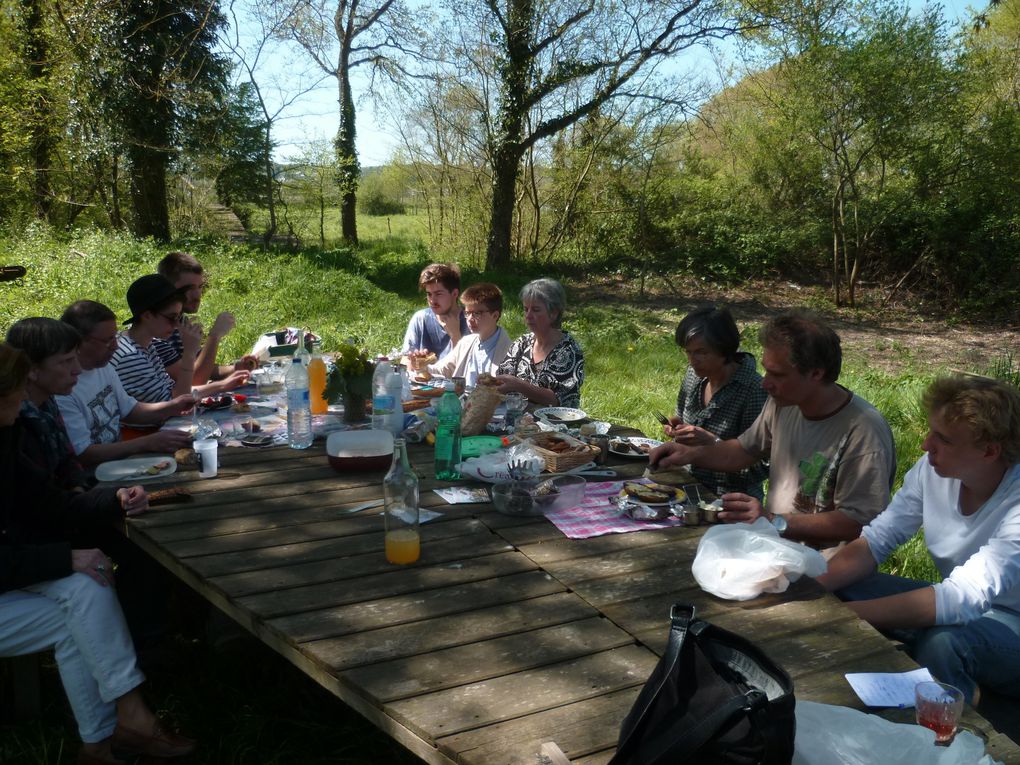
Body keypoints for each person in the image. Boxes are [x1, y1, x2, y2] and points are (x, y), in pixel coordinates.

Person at [0, 342, 196, 764]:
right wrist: (63, 558)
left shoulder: (9, 431)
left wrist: (115, 500)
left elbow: (43, 501)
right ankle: (128, 724)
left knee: (85, 600)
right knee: (81, 591)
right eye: (15, 391)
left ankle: (102, 740)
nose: (23, 401)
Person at [818, 376, 1020, 706]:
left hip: (1011, 621)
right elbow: (878, 539)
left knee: (944, 641)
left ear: (989, 451)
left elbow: (962, 598)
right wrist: (809, 587)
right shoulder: (933, 469)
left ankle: (955, 735)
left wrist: (844, 617)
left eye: (943, 439)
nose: (926, 445)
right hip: (964, 603)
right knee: (845, 584)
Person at [650, 310, 895, 550]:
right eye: (766, 370)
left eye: (777, 374)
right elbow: (744, 450)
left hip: (826, 568)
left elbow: (858, 523)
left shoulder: (863, 432)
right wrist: (689, 454)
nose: (765, 383)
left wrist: (772, 520)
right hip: (774, 546)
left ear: (816, 374)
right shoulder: (786, 402)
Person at [57, 300, 194, 467]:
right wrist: (146, 443)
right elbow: (84, 454)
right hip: (96, 478)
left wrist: (174, 405)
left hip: (121, 462)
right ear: (79, 342)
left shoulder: (103, 367)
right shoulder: (63, 389)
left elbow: (130, 410)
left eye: (115, 337)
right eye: (107, 340)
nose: (115, 346)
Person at [663, 306, 769, 498]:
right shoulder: (693, 377)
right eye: (688, 352)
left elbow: (761, 467)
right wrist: (677, 429)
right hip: (686, 487)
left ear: (725, 349)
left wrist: (714, 442)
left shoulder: (754, 390)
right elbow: (680, 417)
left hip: (729, 500)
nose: (693, 360)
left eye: (702, 352)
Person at [110, 274, 248, 403]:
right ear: (147, 315)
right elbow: (177, 402)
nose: (176, 325)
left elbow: (175, 392)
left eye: (179, 318)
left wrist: (223, 385)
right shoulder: (130, 356)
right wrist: (189, 353)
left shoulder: (148, 343)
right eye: (171, 318)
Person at [5, 317, 89, 490]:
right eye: (66, 361)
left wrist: (78, 489)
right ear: (33, 370)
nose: (78, 370)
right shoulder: (14, 423)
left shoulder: (46, 404)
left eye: (75, 358)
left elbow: (67, 460)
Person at [153, 251, 255, 385]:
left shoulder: (182, 321)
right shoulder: (158, 331)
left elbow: (203, 367)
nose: (197, 296)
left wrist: (236, 368)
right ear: (168, 288)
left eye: (200, 287)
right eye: (188, 288)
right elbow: (194, 381)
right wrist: (214, 335)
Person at [496, 278, 585, 408]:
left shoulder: (568, 351)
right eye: (526, 309)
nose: (528, 315)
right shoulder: (523, 343)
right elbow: (503, 378)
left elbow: (558, 400)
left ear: (553, 313)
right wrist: (489, 382)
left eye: (536, 310)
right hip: (518, 421)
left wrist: (518, 385)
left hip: (556, 424)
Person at [426, 282, 512, 388]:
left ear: (495, 315)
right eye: (467, 313)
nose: (470, 319)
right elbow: (443, 369)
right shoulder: (466, 343)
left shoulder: (509, 351)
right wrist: (420, 365)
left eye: (477, 313)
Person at [402, 263, 470, 361]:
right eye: (429, 294)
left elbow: (470, 366)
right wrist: (415, 362)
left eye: (438, 294)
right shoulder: (421, 318)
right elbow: (405, 360)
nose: (432, 301)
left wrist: (455, 336)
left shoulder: (470, 321)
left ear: (454, 293)